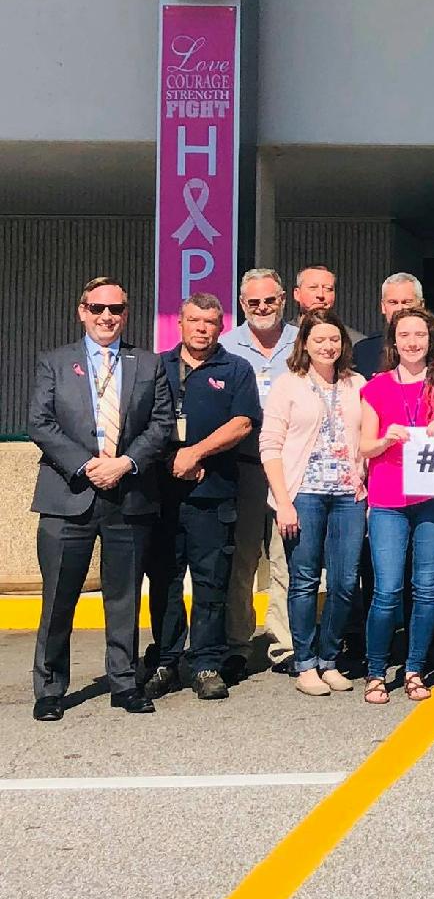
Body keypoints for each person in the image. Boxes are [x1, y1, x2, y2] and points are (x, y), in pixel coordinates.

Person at [29, 276, 172, 721]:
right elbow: (40, 422)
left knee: (124, 595)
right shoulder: (55, 362)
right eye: (97, 308)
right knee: (58, 598)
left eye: (115, 309)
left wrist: (124, 463)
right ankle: (50, 688)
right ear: (81, 311)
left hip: (128, 494)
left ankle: (125, 682)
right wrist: (87, 465)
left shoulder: (148, 364)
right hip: (68, 494)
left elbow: (161, 425)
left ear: (126, 314)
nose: (106, 317)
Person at [142, 295, 259, 702]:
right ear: (180, 323)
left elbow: (242, 423)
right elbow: (136, 422)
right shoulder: (155, 367)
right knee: (165, 580)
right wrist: (171, 458)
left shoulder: (236, 369)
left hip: (214, 495)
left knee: (212, 583)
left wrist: (196, 452)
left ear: (221, 326)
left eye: (210, 321)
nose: (202, 328)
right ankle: (166, 660)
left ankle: (206, 661)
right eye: (194, 320)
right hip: (162, 495)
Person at [358, 307, 434, 703]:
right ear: (394, 341)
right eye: (405, 335)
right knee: (387, 590)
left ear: (431, 339)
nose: (413, 342)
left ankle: (415, 668)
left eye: (420, 334)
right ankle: (374, 671)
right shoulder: (377, 386)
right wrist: (386, 439)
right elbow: (364, 445)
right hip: (388, 498)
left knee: (426, 589)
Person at [260, 309, 367, 697]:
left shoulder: (357, 383)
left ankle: (329, 658)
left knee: (342, 583)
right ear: (304, 343)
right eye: (319, 339)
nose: (327, 346)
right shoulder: (288, 385)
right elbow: (270, 446)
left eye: (334, 339)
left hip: (348, 495)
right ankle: (305, 662)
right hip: (302, 494)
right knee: (304, 580)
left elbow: (366, 442)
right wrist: (283, 502)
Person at [220, 267, 298, 682]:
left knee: (287, 559)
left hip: (290, 468)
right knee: (243, 558)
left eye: (270, 300)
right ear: (241, 304)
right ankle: (237, 643)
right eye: (254, 302)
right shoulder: (226, 345)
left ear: (283, 299)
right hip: (244, 469)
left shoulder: (303, 342)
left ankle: (284, 644)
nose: (263, 308)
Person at [352, 272, 422, 379]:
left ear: (421, 305)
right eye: (393, 302)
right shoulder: (364, 351)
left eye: (406, 302)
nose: (400, 309)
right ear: (383, 307)